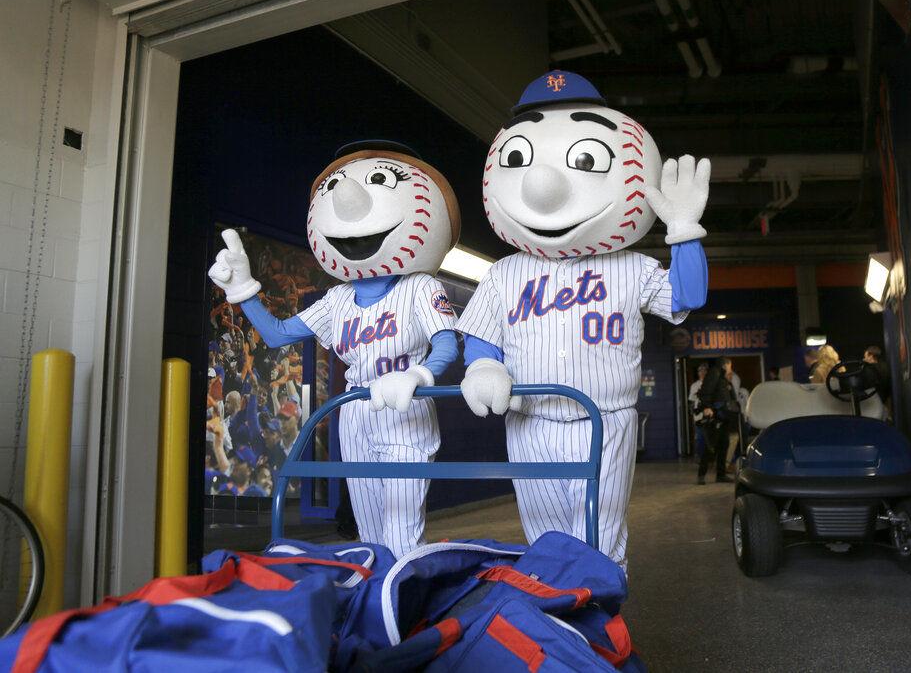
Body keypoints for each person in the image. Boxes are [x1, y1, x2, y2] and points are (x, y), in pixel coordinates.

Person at [455, 70, 710, 570]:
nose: (543, 185)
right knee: (542, 537)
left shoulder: (632, 267)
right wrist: (483, 367)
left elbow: (689, 296)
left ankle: (599, 633)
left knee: (599, 531)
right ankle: (555, 627)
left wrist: (683, 231)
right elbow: (482, 337)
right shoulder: (505, 271)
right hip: (527, 421)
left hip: (605, 419)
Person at [208, 141, 462, 557]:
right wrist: (242, 290)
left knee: (401, 530)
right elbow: (275, 335)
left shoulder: (420, 286)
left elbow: (446, 342)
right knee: (369, 530)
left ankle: (402, 606)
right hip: (355, 409)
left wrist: (418, 375)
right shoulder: (337, 298)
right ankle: (374, 606)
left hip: (406, 405)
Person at [696, 357, 738, 484]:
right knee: (711, 447)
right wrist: (707, 407)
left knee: (724, 445)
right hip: (715, 416)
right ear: (725, 365)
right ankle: (701, 476)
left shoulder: (723, 377)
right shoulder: (714, 373)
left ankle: (721, 475)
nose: (731, 368)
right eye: (730, 365)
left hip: (724, 416)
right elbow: (705, 392)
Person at [688, 362, 709, 457]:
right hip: (698, 416)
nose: (702, 372)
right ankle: (700, 457)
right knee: (700, 437)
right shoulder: (694, 386)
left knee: (709, 437)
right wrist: (693, 415)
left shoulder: (711, 383)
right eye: (700, 371)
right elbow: (691, 402)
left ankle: (710, 458)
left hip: (710, 414)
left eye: (704, 370)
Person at [863, 345, 892, 410]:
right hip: (886, 399)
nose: (864, 359)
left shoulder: (869, 369)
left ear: (871, 356)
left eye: (865, 357)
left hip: (875, 401)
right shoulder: (885, 367)